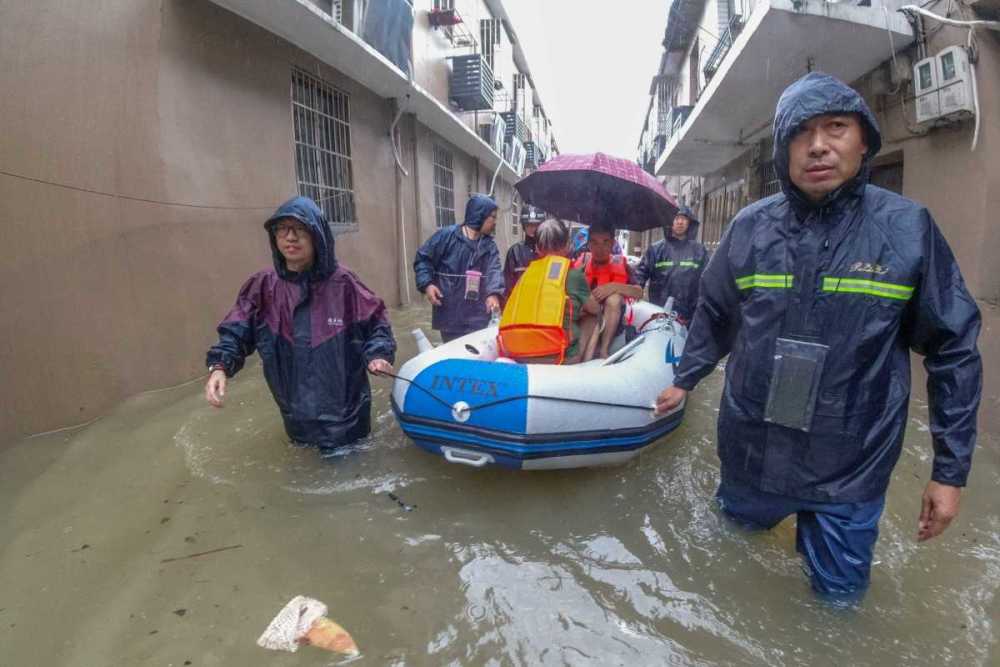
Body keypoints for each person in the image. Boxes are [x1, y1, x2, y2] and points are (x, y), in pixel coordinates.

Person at [654, 72, 982, 599]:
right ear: (782, 149)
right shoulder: (750, 228)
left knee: (837, 604)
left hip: (850, 464)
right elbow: (714, 314)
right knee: (732, 572)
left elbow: (954, 349)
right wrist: (684, 380)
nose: (818, 146)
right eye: (800, 132)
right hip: (752, 451)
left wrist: (950, 471)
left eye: (836, 127)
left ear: (864, 140)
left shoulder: (906, 230)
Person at [204, 196, 397, 450]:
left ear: (318, 236)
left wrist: (379, 355)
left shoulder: (345, 284)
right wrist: (219, 367)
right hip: (295, 416)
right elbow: (236, 332)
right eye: (282, 229)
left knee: (347, 472)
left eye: (300, 229)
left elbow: (377, 326)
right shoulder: (262, 286)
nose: (290, 237)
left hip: (347, 420)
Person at [413, 194, 504, 342]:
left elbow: (494, 271)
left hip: (479, 316)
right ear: (480, 216)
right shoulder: (446, 236)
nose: (495, 222)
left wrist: (493, 294)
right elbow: (423, 259)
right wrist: (427, 285)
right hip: (449, 315)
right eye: (492, 217)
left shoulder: (489, 246)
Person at [572, 222, 643, 360]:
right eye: (595, 242)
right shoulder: (580, 264)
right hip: (586, 320)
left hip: (612, 327)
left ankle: (604, 350)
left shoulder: (622, 264)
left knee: (614, 299)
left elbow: (639, 292)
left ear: (612, 243)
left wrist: (613, 287)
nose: (600, 248)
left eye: (605, 242)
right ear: (588, 244)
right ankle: (577, 359)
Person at [533, 219, 599, 363]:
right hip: (559, 356)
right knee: (593, 318)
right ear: (567, 246)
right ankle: (586, 367)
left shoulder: (527, 274)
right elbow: (595, 309)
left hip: (520, 352)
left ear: (537, 248)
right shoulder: (574, 275)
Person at [633, 206, 709, 323]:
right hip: (659, 314)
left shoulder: (699, 251)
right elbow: (640, 274)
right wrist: (635, 290)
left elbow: (708, 279)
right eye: (676, 218)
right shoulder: (656, 250)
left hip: (689, 317)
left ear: (689, 223)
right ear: (669, 222)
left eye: (684, 218)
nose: (679, 222)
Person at [503, 214, 540, 303]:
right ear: (523, 226)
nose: (532, 228)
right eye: (528, 225)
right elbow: (507, 283)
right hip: (519, 304)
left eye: (536, 225)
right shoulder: (514, 251)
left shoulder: (547, 250)